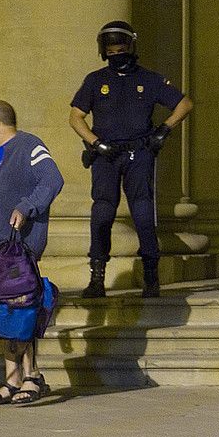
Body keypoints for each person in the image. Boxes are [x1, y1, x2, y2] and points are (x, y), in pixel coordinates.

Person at [69, 21, 193, 298]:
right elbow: (75, 117)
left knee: (143, 214)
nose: (116, 53)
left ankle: (151, 277)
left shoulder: (149, 79)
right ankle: (97, 277)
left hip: (139, 152)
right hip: (106, 154)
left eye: (121, 47)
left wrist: (164, 130)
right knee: (102, 213)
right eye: (111, 49)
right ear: (103, 50)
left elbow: (184, 103)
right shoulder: (95, 80)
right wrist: (95, 143)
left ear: (131, 46)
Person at [0, 101, 65, 405]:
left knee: (20, 308)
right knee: (5, 312)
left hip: (19, 247)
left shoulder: (28, 145)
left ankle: (30, 376)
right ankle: (14, 380)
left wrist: (27, 207)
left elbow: (53, 180)